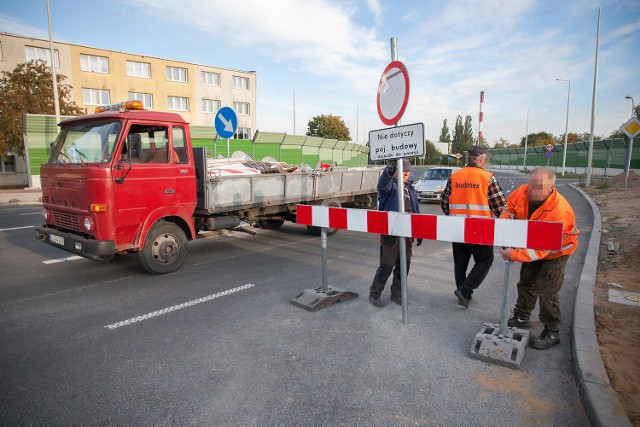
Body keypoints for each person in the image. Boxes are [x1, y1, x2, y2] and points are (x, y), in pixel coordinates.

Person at [499, 167, 579, 350]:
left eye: (539, 187)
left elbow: (540, 251)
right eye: (532, 184)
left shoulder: (559, 212)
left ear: (551, 187)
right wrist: (505, 225)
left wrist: (512, 254)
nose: (533, 191)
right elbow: (509, 209)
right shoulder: (522, 192)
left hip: (556, 252)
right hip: (532, 244)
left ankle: (552, 331)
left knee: (548, 291)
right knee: (527, 282)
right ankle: (522, 316)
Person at [440, 145, 506, 308]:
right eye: (486, 159)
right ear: (481, 159)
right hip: (480, 228)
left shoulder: (455, 176)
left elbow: (444, 202)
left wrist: (455, 215)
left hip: (457, 227)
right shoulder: (487, 177)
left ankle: (463, 295)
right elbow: (500, 207)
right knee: (485, 260)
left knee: (460, 263)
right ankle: (465, 290)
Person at [369, 158, 421, 307]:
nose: (406, 173)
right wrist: (389, 169)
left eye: (408, 171)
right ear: (395, 172)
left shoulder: (411, 189)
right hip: (391, 233)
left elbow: (416, 210)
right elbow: (382, 184)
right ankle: (375, 294)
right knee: (386, 265)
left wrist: (420, 230)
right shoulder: (389, 187)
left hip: (407, 234)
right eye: (402, 170)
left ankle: (397, 295)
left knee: (403, 267)